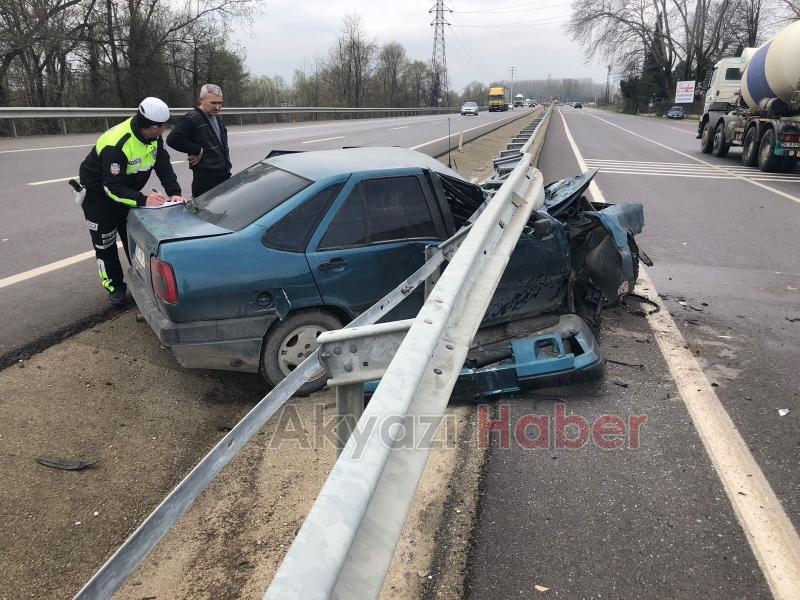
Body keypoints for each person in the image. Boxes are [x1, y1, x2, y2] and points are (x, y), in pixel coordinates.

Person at [78, 97, 185, 305]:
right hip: (99, 196)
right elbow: (111, 187)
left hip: (126, 191)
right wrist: (143, 199)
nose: (164, 130)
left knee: (134, 239)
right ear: (154, 127)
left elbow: (162, 163)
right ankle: (115, 288)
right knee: (105, 243)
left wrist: (174, 192)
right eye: (163, 126)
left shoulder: (153, 137)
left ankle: (142, 281)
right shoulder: (116, 144)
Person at [167, 83, 232, 197]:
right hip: (206, 181)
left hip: (223, 175)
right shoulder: (192, 118)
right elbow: (173, 139)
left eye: (220, 103)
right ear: (201, 100)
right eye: (213, 103)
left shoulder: (214, 116)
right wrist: (197, 150)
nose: (217, 107)